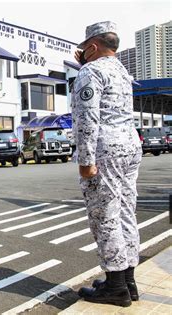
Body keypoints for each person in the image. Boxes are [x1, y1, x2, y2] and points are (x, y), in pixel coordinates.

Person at [72, 21, 142, 307]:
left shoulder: (91, 70)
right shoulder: (123, 72)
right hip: (129, 147)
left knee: (105, 216)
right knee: (126, 212)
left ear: (92, 46)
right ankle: (127, 281)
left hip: (106, 152)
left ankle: (115, 287)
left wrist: (86, 160)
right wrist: (84, 67)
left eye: (83, 49)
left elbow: (88, 118)